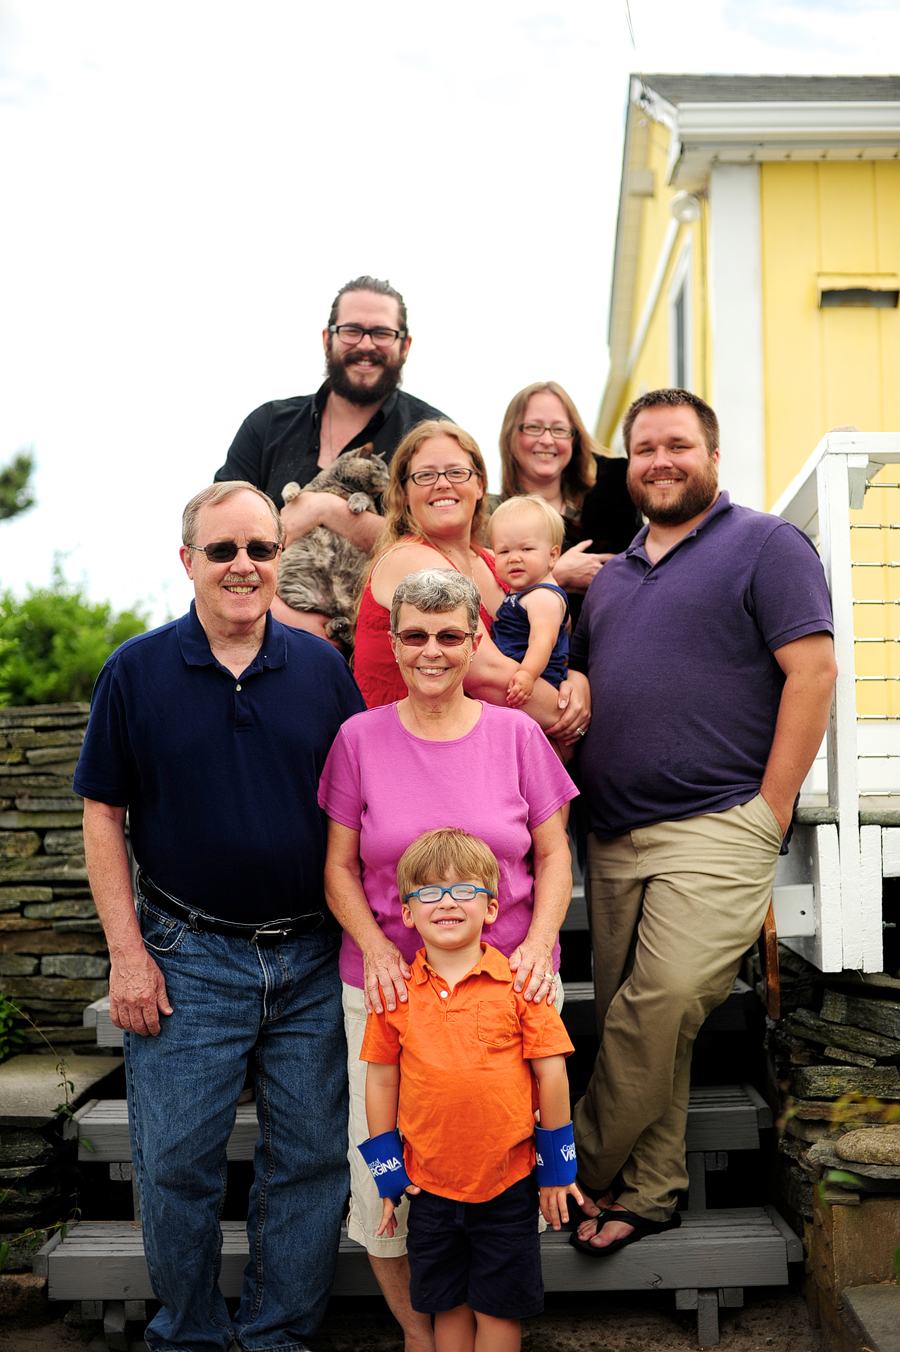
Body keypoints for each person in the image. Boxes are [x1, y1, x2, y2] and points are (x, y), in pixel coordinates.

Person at [73, 481, 366, 1352]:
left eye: (261, 549)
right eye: (224, 550)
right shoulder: (136, 669)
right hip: (186, 954)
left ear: (282, 557)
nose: (244, 566)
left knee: (310, 1161)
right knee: (174, 1164)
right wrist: (128, 955)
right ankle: (191, 1333)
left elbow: (359, 805)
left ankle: (278, 1334)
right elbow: (102, 815)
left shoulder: (321, 670)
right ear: (188, 561)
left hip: (312, 957)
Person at [568, 388, 838, 1256]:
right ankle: (649, 1193)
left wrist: (773, 808)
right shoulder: (611, 581)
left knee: (664, 999)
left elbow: (814, 673)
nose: (659, 460)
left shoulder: (765, 544)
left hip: (720, 822)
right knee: (636, 1021)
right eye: (643, 448)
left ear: (713, 458)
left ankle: (559, 1163)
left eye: (677, 444)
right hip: (613, 835)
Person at [319, 569, 578, 1352]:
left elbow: (556, 853)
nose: (431, 651)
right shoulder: (358, 738)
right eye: (414, 635)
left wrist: (535, 944)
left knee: (498, 1175)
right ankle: (422, 1339)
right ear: (392, 643)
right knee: (387, 1186)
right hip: (393, 991)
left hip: (510, 985)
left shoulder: (518, 735)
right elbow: (337, 867)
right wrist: (373, 944)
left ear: (475, 640)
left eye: (449, 635)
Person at [359, 828, 582, 1352]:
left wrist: (558, 1172)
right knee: (448, 1309)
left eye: (464, 890)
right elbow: (381, 1079)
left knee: (498, 1312)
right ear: (407, 912)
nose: (447, 902)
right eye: (429, 892)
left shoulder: (522, 985)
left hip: (508, 1186)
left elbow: (552, 1075)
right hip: (430, 1188)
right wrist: (388, 1176)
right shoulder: (394, 996)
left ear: (492, 906)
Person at [216, 275, 446, 639]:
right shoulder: (267, 426)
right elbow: (217, 540)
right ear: (328, 339)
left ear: (406, 346)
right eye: (352, 330)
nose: (366, 345)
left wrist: (326, 510)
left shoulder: (432, 435)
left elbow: (444, 553)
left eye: (382, 333)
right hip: (257, 640)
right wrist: (283, 619)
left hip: (386, 652)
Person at [353, 418, 590, 743]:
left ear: (479, 485)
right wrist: (567, 715)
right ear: (404, 493)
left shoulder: (499, 563)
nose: (442, 484)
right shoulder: (410, 560)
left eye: (456, 472)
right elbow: (486, 675)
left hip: (486, 752)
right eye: (425, 475)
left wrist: (576, 681)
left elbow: (553, 635)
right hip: (406, 750)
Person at [496, 381, 642, 624]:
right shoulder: (490, 518)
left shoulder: (613, 500)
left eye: (559, 429)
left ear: (574, 438)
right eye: (534, 427)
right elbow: (485, 609)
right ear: (512, 434)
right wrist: (555, 576)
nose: (547, 440)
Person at [488, 495, 569, 707]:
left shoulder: (543, 596)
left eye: (526, 549)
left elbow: (542, 640)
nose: (514, 557)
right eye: (504, 551)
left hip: (537, 681)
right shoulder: (524, 592)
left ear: (552, 556)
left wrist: (526, 673)